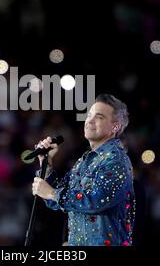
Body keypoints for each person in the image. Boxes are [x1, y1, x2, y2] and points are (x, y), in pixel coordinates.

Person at [32, 94, 135, 246]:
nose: (90, 121)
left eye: (99, 117)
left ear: (115, 126)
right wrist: (47, 163)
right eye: (89, 115)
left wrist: (52, 194)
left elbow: (96, 200)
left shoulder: (115, 160)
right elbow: (58, 200)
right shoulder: (85, 160)